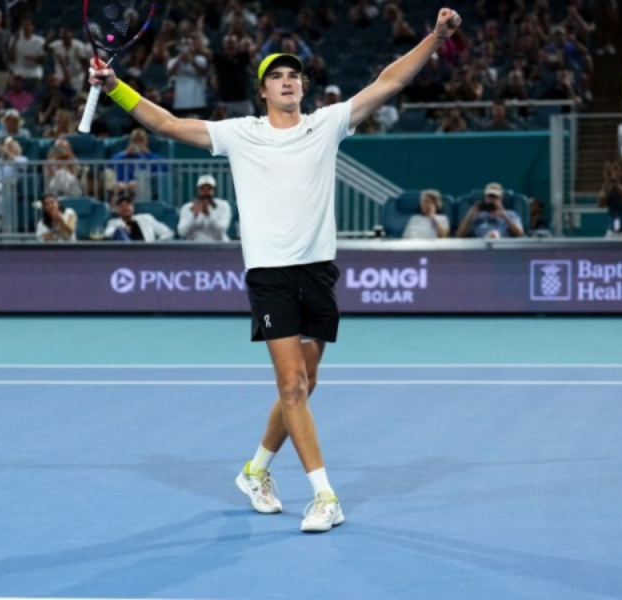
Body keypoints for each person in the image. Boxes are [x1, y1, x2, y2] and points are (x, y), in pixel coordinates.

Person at [89, 7, 462, 533]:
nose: (287, 82)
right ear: (262, 91)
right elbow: (168, 123)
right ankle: (325, 496)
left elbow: (390, 81)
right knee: (291, 387)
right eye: (277, 77)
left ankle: (255, 471)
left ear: (302, 88)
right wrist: (115, 89)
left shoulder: (328, 123)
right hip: (270, 275)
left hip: (318, 272)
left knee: (304, 385)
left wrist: (434, 38)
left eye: (294, 76)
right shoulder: (240, 133)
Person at [109, 128, 166, 202]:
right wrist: (125, 153)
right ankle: (115, 208)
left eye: (140, 141)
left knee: (135, 185)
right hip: (122, 183)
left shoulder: (149, 156)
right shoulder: (123, 155)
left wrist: (148, 153)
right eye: (135, 141)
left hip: (141, 183)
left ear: (145, 142)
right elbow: (110, 164)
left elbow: (164, 167)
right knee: (117, 186)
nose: (138, 144)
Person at [457, 182, 524, 239]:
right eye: (489, 197)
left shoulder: (510, 215)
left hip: (503, 249)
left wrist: (505, 217)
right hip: (480, 249)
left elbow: (520, 234)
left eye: (495, 197)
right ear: (485, 198)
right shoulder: (477, 216)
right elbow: (460, 235)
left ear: (501, 199)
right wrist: (469, 215)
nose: (492, 200)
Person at [177, 174, 232, 241]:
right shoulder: (187, 208)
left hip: (218, 246)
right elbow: (182, 232)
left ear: (214, 190)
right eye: (203, 189)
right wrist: (194, 217)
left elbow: (221, 230)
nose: (206, 192)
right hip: (195, 247)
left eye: (209, 189)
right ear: (198, 190)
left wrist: (208, 214)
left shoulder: (223, 206)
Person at [105, 195, 174, 242]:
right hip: (127, 254)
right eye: (121, 205)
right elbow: (107, 234)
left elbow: (168, 232)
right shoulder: (114, 222)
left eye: (128, 204)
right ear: (117, 210)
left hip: (147, 252)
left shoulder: (146, 218)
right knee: (119, 231)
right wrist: (123, 228)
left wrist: (157, 244)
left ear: (133, 208)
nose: (125, 207)